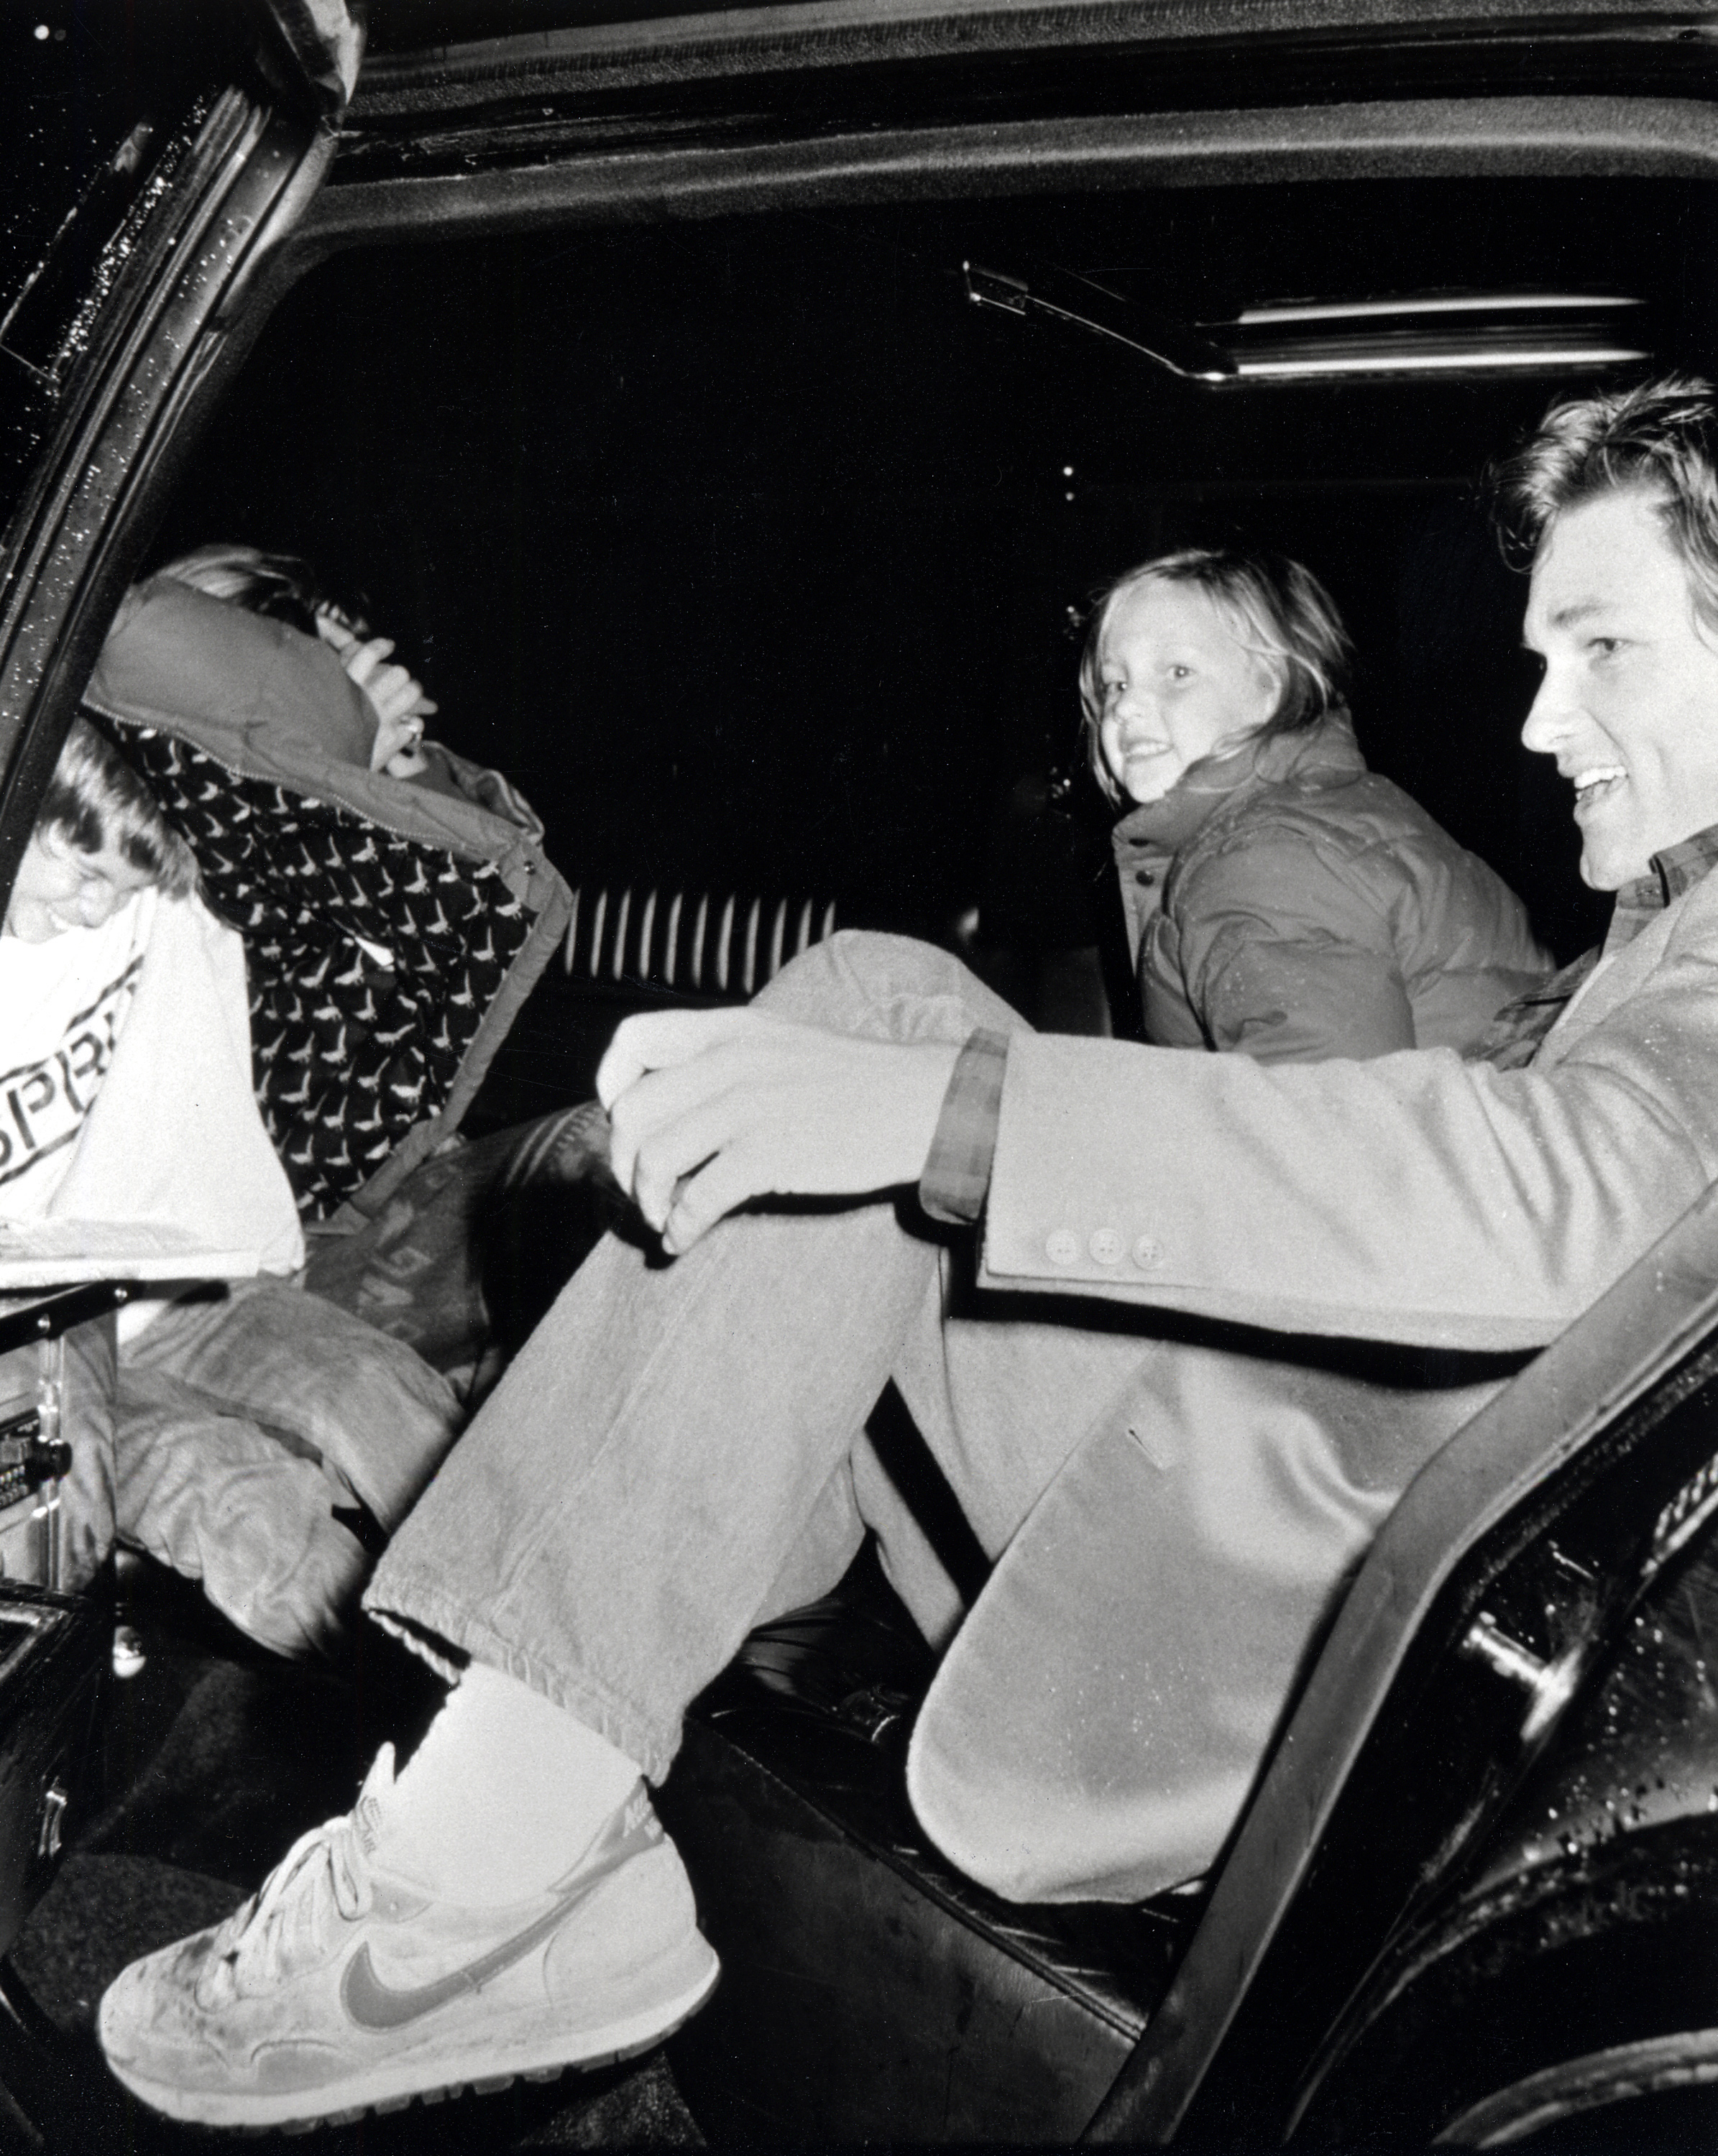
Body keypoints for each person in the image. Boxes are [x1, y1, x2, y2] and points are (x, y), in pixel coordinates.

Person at [98, 372, 1718, 2131]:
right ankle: (559, 1742)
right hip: (1352, 1528)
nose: (1540, 716)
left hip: (1330, 1604)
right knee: (851, 1068)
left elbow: (1555, 1190)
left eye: (1604, 649)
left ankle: (477, 1866)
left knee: (879, 1023)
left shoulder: (1388, 883)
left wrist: (948, 1121)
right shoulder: (1651, 915)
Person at [4, 719, 464, 1656]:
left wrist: (359, 725)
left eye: (120, 891)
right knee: (237, 1505)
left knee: (380, 1401)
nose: (98, 910)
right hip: (34, 1324)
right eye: (84, 873)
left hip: (180, 1278)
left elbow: (236, 711)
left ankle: (542, 1685)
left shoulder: (168, 890)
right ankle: (434, 1735)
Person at [1083, 545, 1548, 1058]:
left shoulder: (1262, 859)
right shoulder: (1332, 810)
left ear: (1273, 688)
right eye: (1115, 683)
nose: (1125, 707)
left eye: (1177, 673)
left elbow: (1320, 1110)